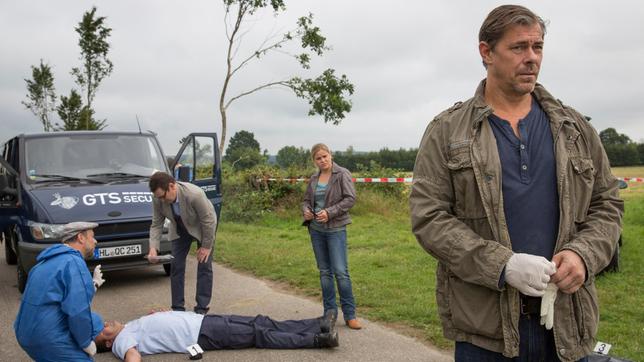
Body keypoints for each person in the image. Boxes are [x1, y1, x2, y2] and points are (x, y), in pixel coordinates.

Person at [409, 5, 624, 362]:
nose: (531, 58)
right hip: (486, 332)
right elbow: (428, 218)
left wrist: (583, 255)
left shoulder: (575, 129)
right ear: (486, 52)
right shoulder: (447, 131)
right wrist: (502, 266)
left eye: (537, 47)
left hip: (567, 325)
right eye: (518, 47)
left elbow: (607, 202)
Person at [14, 221, 106, 361]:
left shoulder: (46, 262)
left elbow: (59, 295)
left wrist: (93, 284)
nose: (95, 241)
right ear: (81, 238)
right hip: (46, 338)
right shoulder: (74, 262)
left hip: (25, 332)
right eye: (92, 237)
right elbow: (78, 311)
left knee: (96, 321)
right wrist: (86, 344)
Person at [95, 310, 339, 360]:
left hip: (203, 321)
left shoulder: (128, 326)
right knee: (259, 334)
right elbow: (132, 356)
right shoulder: (121, 342)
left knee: (260, 321)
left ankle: (318, 324)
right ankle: (318, 340)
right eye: (103, 329)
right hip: (201, 333)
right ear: (108, 341)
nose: (107, 323)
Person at [302, 143, 361, 330]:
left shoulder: (342, 174)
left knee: (341, 272)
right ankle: (329, 312)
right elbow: (305, 201)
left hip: (335, 229)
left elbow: (350, 198)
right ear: (314, 161)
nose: (322, 160)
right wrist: (306, 211)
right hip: (316, 231)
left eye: (325, 156)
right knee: (325, 272)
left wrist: (330, 212)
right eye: (318, 158)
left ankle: (350, 315)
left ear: (331, 155)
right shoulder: (314, 178)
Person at [148, 171, 217, 314]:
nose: (161, 200)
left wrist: (205, 247)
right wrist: (153, 248)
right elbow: (156, 224)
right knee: (176, 265)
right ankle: (177, 309)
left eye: (162, 196)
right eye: (158, 197)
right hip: (179, 228)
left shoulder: (194, 194)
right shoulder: (158, 199)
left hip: (202, 228)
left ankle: (201, 308)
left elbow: (208, 221)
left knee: (204, 265)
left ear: (172, 186)